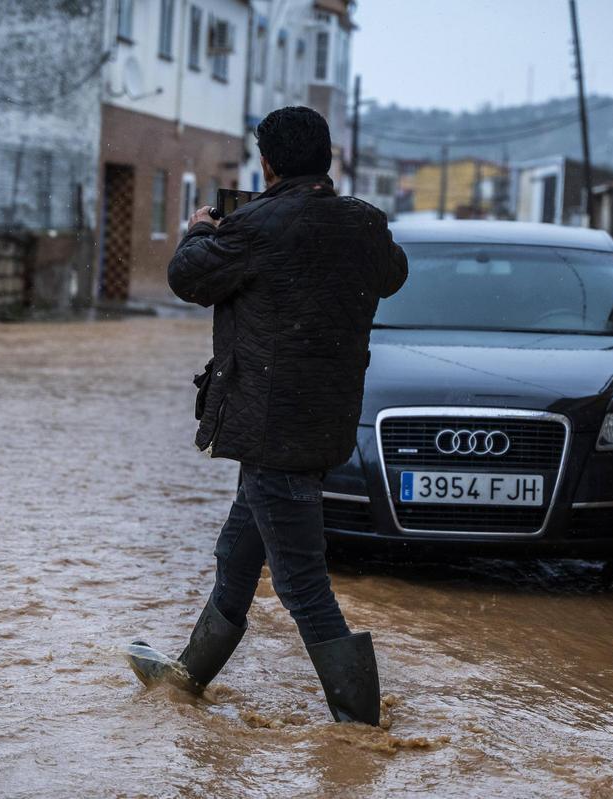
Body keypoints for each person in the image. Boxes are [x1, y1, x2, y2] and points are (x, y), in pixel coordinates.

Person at [126, 106, 408, 725]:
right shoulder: (363, 223)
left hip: (269, 427)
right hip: (322, 424)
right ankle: (186, 678)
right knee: (236, 555)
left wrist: (201, 229)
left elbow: (185, 278)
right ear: (327, 160)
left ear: (268, 164)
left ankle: (360, 727)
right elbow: (394, 273)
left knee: (302, 585)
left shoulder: (252, 225)